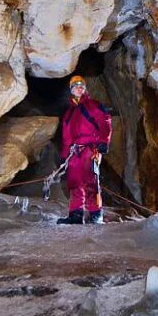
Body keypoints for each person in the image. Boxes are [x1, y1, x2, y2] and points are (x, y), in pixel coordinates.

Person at [57, 76, 112, 225]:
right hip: (75, 151)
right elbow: (66, 137)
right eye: (75, 86)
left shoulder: (94, 105)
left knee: (90, 180)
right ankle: (75, 214)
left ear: (85, 89)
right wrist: (64, 155)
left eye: (81, 86)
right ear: (71, 90)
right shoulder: (68, 114)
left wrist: (103, 142)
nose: (79, 88)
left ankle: (95, 215)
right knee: (74, 182)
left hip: (91, 148)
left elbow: (105, 122)